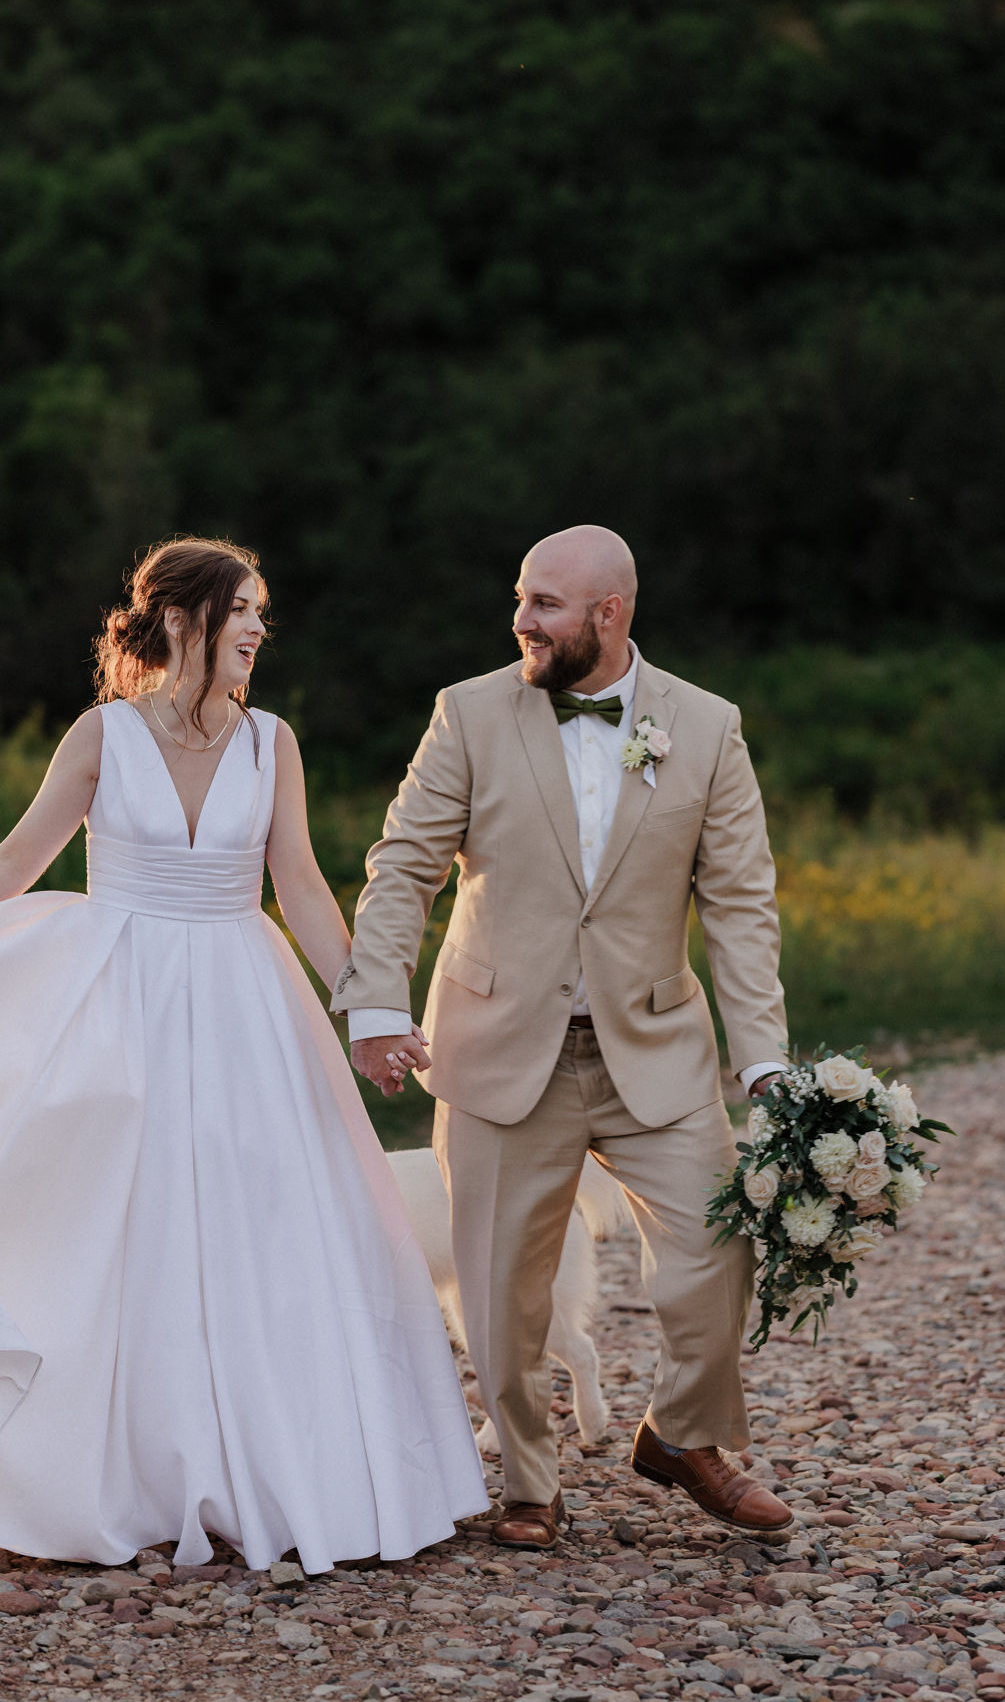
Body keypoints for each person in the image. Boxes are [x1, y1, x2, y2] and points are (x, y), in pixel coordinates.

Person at [0, 536, 487, 1572]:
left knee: (258, 1221)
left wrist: (370, 1008)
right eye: (243, 610)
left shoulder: (273, 741)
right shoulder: (103, 735)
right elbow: (15, 858)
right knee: (112, 1226)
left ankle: (266, 1466)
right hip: (116, 996)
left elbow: (301, 886)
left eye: (263, 612)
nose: (260, 629)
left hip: (243, 1003)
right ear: (182, 620)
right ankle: (116, 1472)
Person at [335, 525, 794, 1548]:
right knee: (502, 1285)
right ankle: (528, 1481)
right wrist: (374, 1003)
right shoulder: (466, 712)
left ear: (608, 612)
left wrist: (759, 1052)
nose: (521, 619)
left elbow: (738, 901)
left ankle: (683, 1436)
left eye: (544, 602)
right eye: (519, 597)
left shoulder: (707, 726)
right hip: (501, 1040)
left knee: (714, 1250)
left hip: (653, 1047)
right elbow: (403, 863)